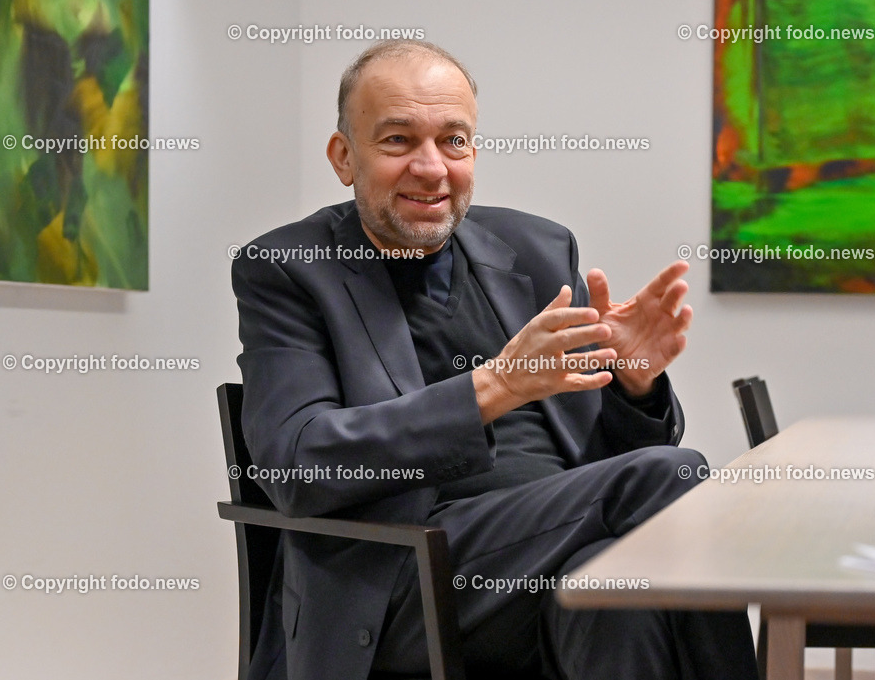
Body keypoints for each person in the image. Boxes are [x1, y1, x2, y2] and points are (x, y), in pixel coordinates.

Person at [232, 39, 758, 680]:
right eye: (398, 141)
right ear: (344, 157)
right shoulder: (290, 269)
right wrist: (495, 387)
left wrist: (633, 386)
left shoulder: (537, 248)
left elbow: (601, 452)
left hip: (554, 558)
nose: (431, 168)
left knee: (616, 597)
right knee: (669, 476)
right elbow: (297, 465)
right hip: (405, 575)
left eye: (454, 141)